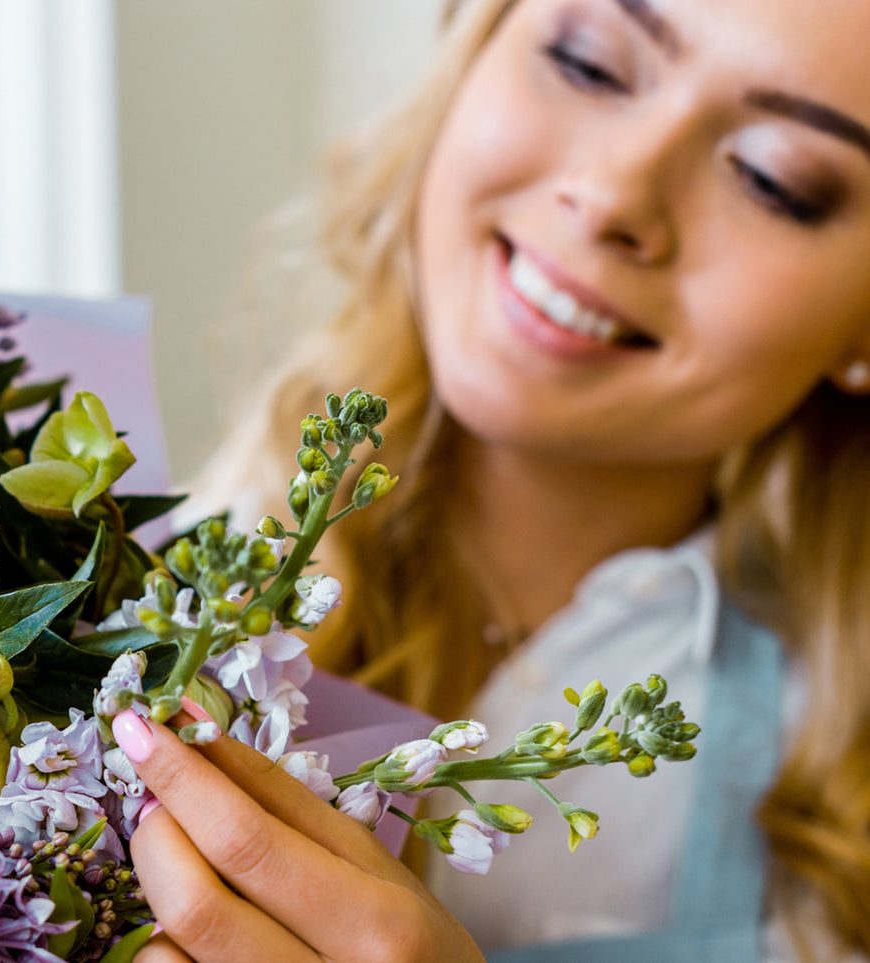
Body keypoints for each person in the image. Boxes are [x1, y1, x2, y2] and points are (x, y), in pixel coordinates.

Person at [114, 0, 870, 960]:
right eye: (589, 63)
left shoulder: (835, 821)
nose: (611, 195)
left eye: (773, 179)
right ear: (468, 52)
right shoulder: (106, 594)